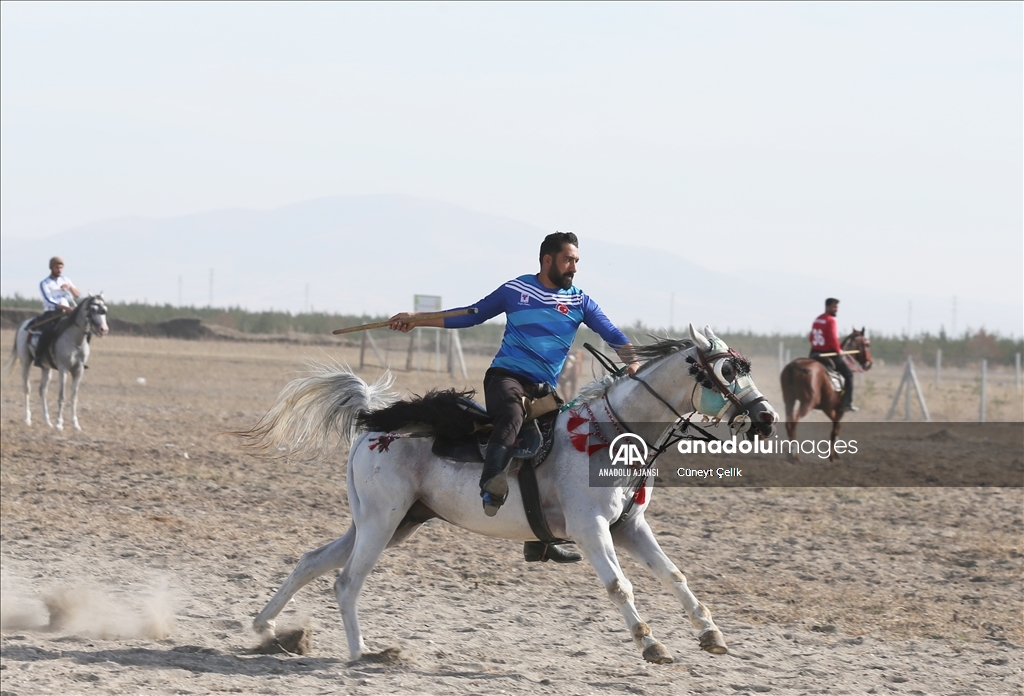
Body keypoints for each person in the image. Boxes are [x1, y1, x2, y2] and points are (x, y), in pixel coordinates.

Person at [389, 232, 640, 519]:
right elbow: (473, 314)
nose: (574, 267)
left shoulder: (580, 302)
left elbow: (614, 335)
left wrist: (632, 363)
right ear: (548, 260)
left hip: (544, 392)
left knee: (556, 451)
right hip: (505, 378)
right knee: (511, 414)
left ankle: (539, 542)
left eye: (576, 261)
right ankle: (491, 481)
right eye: (568, 260)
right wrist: (416, 319)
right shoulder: (517, 289)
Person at [809, 297, 855, 411]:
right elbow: (833, 338)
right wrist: (838, 350)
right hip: (828, 354)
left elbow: (811, 337)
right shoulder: (831, 320)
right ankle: (847, 403)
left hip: (814, 353)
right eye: (834, 307)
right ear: (828, 307)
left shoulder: (817, 319)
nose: (836, 309)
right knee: (849, 374)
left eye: (837, 307)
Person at [33, 256, 80, 367]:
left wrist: (69, 288)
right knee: (48, 331)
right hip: (52, 313)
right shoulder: (45, 283)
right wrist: (64, 307)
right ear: (51, 268)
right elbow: (48, 300)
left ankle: (80, 357)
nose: (59, 270)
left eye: (61, 267)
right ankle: (38, 356)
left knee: (82, 328)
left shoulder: (66, 280)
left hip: (68, 312)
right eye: (56, 267)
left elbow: (77, 295)